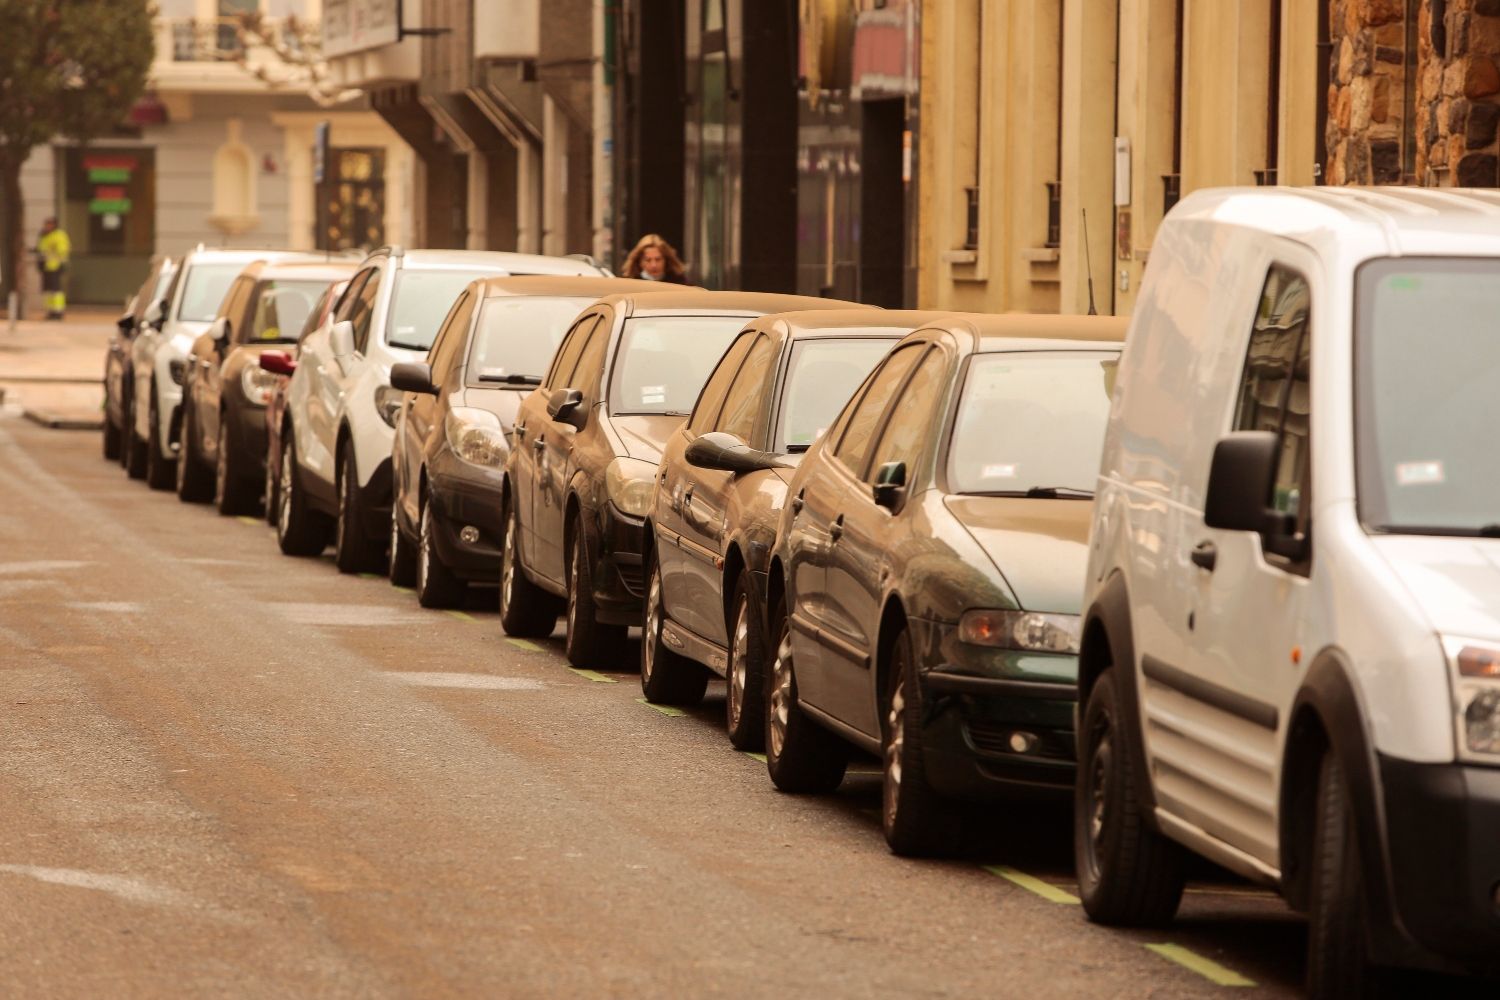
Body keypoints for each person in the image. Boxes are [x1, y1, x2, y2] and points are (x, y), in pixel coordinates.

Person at [36, 217, 71, 320]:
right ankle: (50, 311)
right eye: (46, 224)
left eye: (49, 224)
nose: (47, 226)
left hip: (56, 266)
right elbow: (40, 248)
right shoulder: (43, 235)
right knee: (47, 291)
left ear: (54, 225)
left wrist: (51, 251)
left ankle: (58, 311)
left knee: (56, 290)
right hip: (45, 266)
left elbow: (62, 249)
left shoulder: (59, 235)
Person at [621, 233, 687, 284]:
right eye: (648, 260)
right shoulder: (629, 283)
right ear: (639, 262)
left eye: (658, 259)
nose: (654, 265)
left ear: (666, 260)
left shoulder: (679, 282)